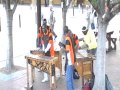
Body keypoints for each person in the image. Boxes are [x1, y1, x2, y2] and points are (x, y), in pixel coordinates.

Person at [38, 19, 55, 83]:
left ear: (46, 28)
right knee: (45, 65)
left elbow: (50, 44)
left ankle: (53, 79)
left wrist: (45, 50)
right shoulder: (43, 35)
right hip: (45, 52)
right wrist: (43, 49)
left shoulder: (50, 34)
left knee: (52, 66)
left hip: (50, 52)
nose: (42, 30)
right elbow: (42, 43)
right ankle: (46, 78)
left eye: (43, 28)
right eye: (42, 29)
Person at [64, 26, 75, 90]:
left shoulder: (67, 39)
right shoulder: (70, 38)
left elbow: (67, 50)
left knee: (68, 79)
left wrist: (63, 48)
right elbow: (69, 48)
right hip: (71, 60)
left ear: (65, 33)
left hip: (70, 61)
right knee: (70, 78)